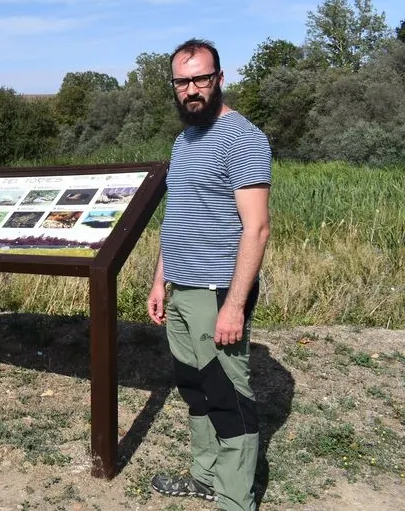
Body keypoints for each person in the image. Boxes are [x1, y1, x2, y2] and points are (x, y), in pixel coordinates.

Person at [147, 39, 272, 510]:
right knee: (195, 389)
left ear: (220, 78)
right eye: (183, 82)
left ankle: (235, 499)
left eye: (201, 78)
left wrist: (234, 306)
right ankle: (205, 476)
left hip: (217, 289)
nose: (192, 90)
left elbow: (256, 229)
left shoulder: (243, 138)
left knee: (227, 393)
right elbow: (177, 217)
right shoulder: (185, 140)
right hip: (180, 286)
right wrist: (161, 280)